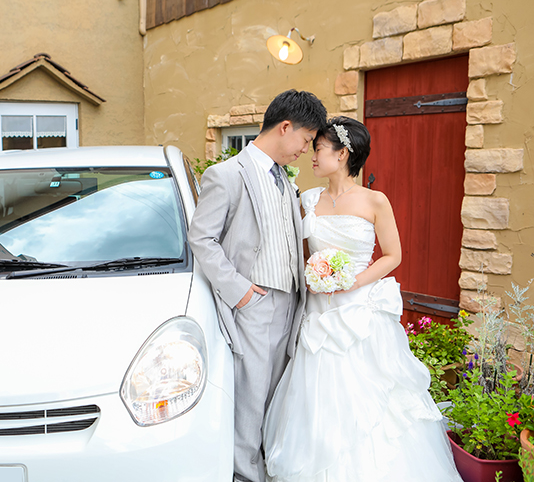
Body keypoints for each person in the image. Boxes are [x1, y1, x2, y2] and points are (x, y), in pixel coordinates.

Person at [262, 116, 463, 481]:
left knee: (375, 402)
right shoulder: (307, 199)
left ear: (342, 155)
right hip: (319, 316)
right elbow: (301, 254)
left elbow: (392, 255)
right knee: (318, 399)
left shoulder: (375, 201)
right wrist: (314, 276)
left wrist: (352, 281)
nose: (312, 155)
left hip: (360, 312)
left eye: (319, 148)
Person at [188, 90, 328, 482]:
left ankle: (265, 468)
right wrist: (242, 293)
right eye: (305, 139)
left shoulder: (285, 180)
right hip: (254, 303)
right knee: (249, 399)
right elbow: (202, 239)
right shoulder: (228, 174)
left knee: (274, 396)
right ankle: (242, 476)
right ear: (285, 127)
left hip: (291, 303)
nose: (305, 149)